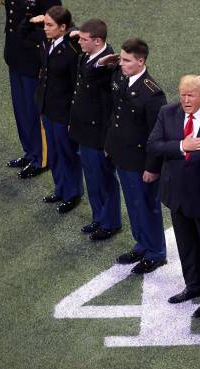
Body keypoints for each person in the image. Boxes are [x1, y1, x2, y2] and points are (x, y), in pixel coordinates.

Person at [147, 75, 200, 318]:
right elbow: (154, 145)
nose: (185, 100)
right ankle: (193, 285)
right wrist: (181, 146)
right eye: (182, 94)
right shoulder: (168, 113)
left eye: (191, 95)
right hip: (177, 194)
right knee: (186, 245)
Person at [96, 39, 167, 273]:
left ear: (141, 61)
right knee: (133, 204)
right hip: (122, 155)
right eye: (121, 59)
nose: (121, 63)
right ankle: (141, 243)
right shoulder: (120, 76)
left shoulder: (152, 94)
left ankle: (155, 251)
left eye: (126, 60)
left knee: (147, 205)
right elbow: (115, 115)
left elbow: (157, 137)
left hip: (140, 162)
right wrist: (109, 143)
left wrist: (152, 167)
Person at [19, 6, 83, 213]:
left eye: (49, 25)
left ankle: (72, 193)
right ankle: (60, 188)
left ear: (63, 27)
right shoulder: (47, 40)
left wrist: (75, 30)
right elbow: (22, 34)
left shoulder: (73, 49)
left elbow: (76, 85)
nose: (45, 28)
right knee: (54, 152)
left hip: (63, 112)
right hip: (46, 107)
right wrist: (30, 19)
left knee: (67, 153)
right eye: (45, 24)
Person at [67, 19, 122, 238]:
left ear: (97, 41)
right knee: (92, 178)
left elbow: (92, 75)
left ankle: (111, 223)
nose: (79, 42)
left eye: (83, 39)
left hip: (99, 134)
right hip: (85, 131)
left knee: (104, 179)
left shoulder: (107, 63)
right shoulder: (89, 55)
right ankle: (98, 217)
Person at [2, 0, 60, 178]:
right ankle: (30, 153)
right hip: (15, 54)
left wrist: (44, 62)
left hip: (33, 59)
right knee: (21, 110)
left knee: (34, 111)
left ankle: (41, 159)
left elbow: (54, 27)